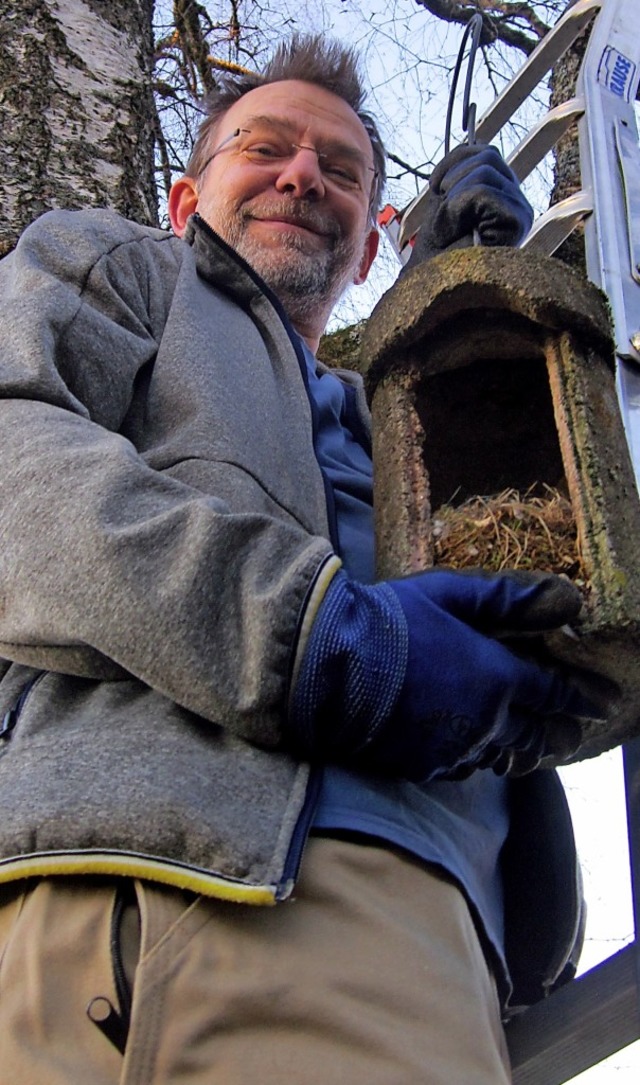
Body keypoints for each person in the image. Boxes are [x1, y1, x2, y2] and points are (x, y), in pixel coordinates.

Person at [0, 32, 602, 1085]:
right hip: (95, 870)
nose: (301, 176)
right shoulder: (125, 269)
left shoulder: (396, 410)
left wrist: (466, 311)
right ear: (186, 202)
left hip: (398, 908)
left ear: (370, 246)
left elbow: (566, 592)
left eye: (339, 169)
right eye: (265, 147)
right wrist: (311, 639)